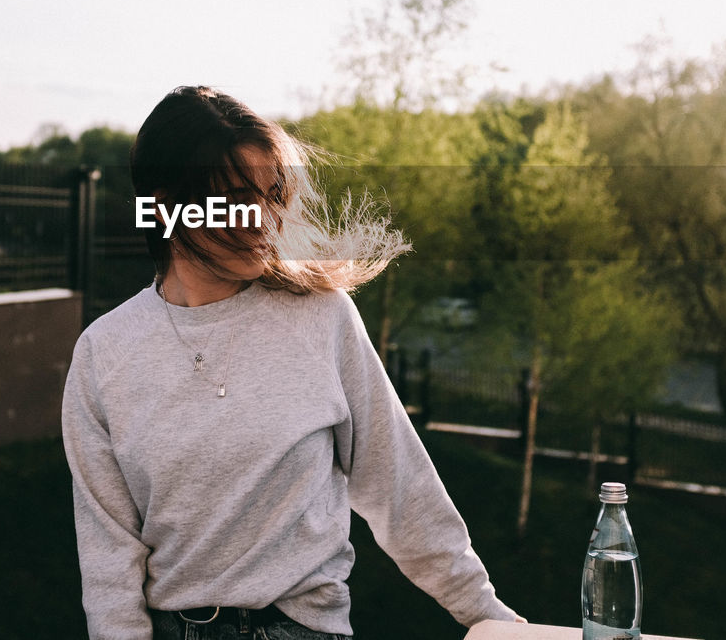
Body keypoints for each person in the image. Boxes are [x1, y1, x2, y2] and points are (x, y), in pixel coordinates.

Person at [62, 86, 524, 639]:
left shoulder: (322, 319)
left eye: (273, 192)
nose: (263, 219)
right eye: (236, 196)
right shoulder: (102, 353)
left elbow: (399, 487)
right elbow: (109, 560)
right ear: (164, 206)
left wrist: (492, 618)